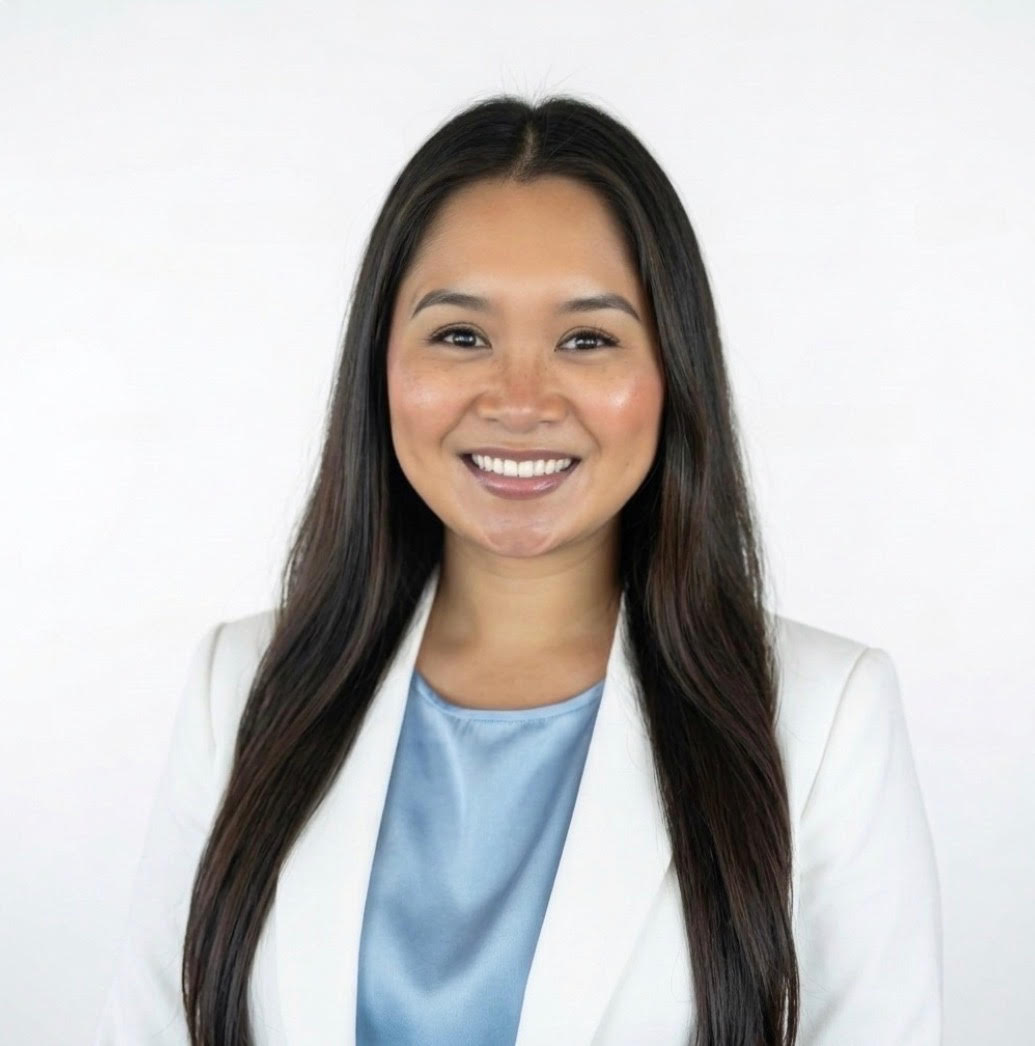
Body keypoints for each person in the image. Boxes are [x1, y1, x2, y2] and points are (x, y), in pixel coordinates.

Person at [94, 94, 942, 1046]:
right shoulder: (241, 686)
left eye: (587, 339)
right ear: (380, 364)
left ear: (673, 371)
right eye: (461, 335)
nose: (521, 401)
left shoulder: (824, 717)